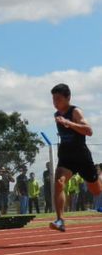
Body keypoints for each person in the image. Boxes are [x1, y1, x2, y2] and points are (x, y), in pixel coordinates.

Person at [49, 83, 102, 232]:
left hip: (81, 156)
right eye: (53, 99)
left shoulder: (75, 112)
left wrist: (68, 123)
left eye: (58, 99)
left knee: (96, 190)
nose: (55, 102)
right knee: (59, 183)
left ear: (68, 98)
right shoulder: (56, 114)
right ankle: (60, 220)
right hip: (66, 156)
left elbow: (89, 131)